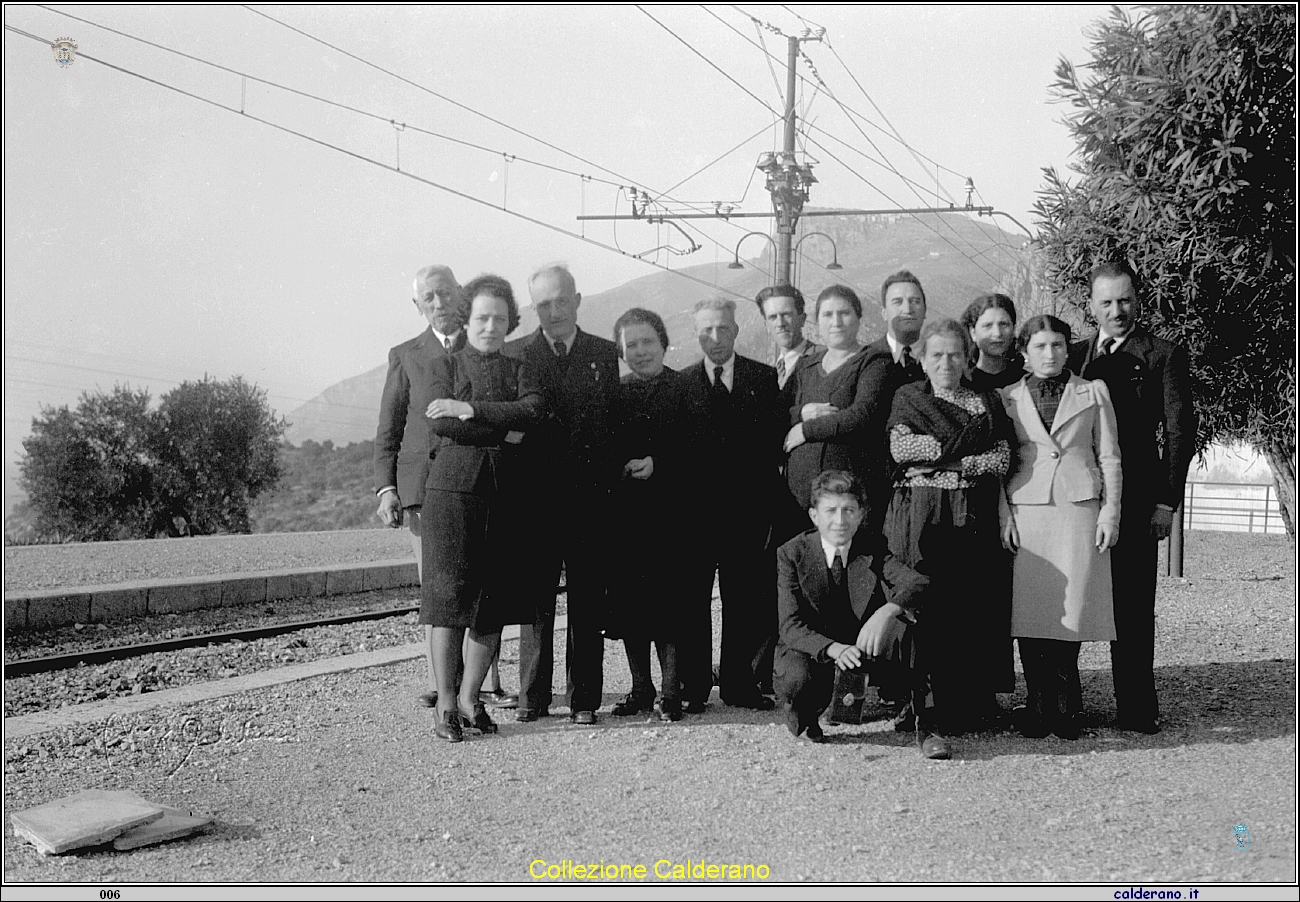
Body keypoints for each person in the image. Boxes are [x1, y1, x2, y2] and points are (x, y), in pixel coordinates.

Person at [375, 266, 517, 709]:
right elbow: (389, 426)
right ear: (417, 305)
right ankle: (445, 686)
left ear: (461, 296)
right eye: (429, 297)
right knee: (441, 589)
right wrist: (386, 488)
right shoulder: (407, 354)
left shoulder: (490, 347)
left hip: (487, 482)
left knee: (488, 585)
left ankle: (485, 685)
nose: (439, 304)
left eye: (446, 294)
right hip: (427, 490)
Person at [1067, 262, 1196, 734]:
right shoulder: (1074, 356)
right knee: (1075, 598)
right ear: (1093, 306)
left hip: (1139, 498)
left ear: (1137, 301)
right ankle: (1066, 704)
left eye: (1124, 300)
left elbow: (1181, 433)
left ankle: (1137, 707)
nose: (1116, 311)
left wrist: (1167, 502)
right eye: (1107, 302)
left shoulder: (1162, 354)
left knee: (1134, 606)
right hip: (1080, 500)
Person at [421, 275, 545, 742]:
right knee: (449, 602)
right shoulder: (443, 365)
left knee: (492, 603)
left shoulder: (521, 367)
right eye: (480, 318)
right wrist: (503, 427)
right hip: (452, 497)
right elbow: (441, 428)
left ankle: (472, 700)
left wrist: (470, 410)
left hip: (507, 496)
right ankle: (446, 706)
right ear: (465, 320)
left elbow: (534, 413)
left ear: (510, 321)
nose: (490, 327)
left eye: (498, 318)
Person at [885, 318, 1014, 735]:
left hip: (971, 510)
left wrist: (947, 458)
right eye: (936, 354)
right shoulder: (908, 397)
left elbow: (1001, 458)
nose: (946, 362)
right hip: (920, 511)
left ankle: (964, 700)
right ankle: (915, 700)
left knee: (968, 601)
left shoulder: (987, 401)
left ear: (967, 357)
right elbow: (902, 448)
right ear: (922, 360)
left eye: (955, 354)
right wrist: (966, 452)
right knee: (920, 599)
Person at [507, 264, 621, 725]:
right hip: (537, 501)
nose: (552, 312)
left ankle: (583, 701)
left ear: (577, 299)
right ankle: (532, 698)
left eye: (560, 301)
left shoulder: (603, 352)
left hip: (590, 499)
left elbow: (611, 425)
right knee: (536, 602)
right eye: (542, 304)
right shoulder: (520, 354)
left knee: (587, 601)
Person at [1002, 314, 1122, 740]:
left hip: (1078, 509)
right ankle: (1038, 700)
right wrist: (1004, 516)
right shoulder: (1008, 397)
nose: (1049, 354)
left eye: (1057, 345)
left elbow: (1109, 455)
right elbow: (1003, 464)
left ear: (1069, 348)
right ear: (1024, 353)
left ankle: (1069, 699)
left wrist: (1110, 513)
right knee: (1032, 608)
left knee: (1073, 605)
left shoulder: (1092, 392)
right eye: (1039, 347)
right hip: (1027, 510)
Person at [774, 470, 945, 758]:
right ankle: (806, 720)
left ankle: (927, 725)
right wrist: (833, 649)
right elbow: (790, 626)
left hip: (863, 646)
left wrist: (888, 611)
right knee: (795, 675)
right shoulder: (792, 553)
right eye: (831, 511)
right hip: (817, 650)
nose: (840, 521)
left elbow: (918, 582)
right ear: (814, 515)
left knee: (915, 624)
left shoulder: (872, 546)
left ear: (861, 514)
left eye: (848, 511)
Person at [677, 297, 786, 712]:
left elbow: (774, 442)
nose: (716, 337)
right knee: (693, 601)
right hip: (696, 516)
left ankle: (740, 683)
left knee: (744, 601)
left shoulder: (761, 378)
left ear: (737, 330)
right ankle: (695, 686)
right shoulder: (682, 383)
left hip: (747, 514)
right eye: (706, 330)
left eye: (723, 328)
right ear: (696, 333)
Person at [607, 308, 686, 722]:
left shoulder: (686, 388)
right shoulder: (613, 392)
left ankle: (671, 692)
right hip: (626, 515)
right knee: (631, 606)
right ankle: (641, 688)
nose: (640, 352)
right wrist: (618, 466)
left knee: (669, 606)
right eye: (630, 345)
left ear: (663, 342)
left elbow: (700, 448)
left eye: (647, 342)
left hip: (672, 513)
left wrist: (660, 463)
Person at [782, 285, 891, 512]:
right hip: (799, 497)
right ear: (818, 321)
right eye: (828, 314)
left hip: (849, 498)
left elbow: (862, 414)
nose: (836, 321)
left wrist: (805, 430)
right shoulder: (806, 366)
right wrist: (801, 413)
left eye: (844, 313)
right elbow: (778, 411)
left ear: (858, 317)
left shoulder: (874, 362)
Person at [856, 270, 929, 520]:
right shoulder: (865, 360)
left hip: (927, 494)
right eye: (897, 302)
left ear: (925, 310)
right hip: (875, 492)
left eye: (915, 301)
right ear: (884, 312)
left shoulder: (939, 361)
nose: (907, 309)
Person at [756, 285, 819, 390]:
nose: (780, 323)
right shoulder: (771, 373)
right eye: (773, 317)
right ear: (767, 326)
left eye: (786, 315)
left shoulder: (821, 360)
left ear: (802, 319)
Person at [961, 292, 1025, 392]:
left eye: (1003, 324)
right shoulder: (962, 384)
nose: (997, 333)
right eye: (987, 326)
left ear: (1014, 329)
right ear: (973, 332)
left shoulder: (1025, 382)